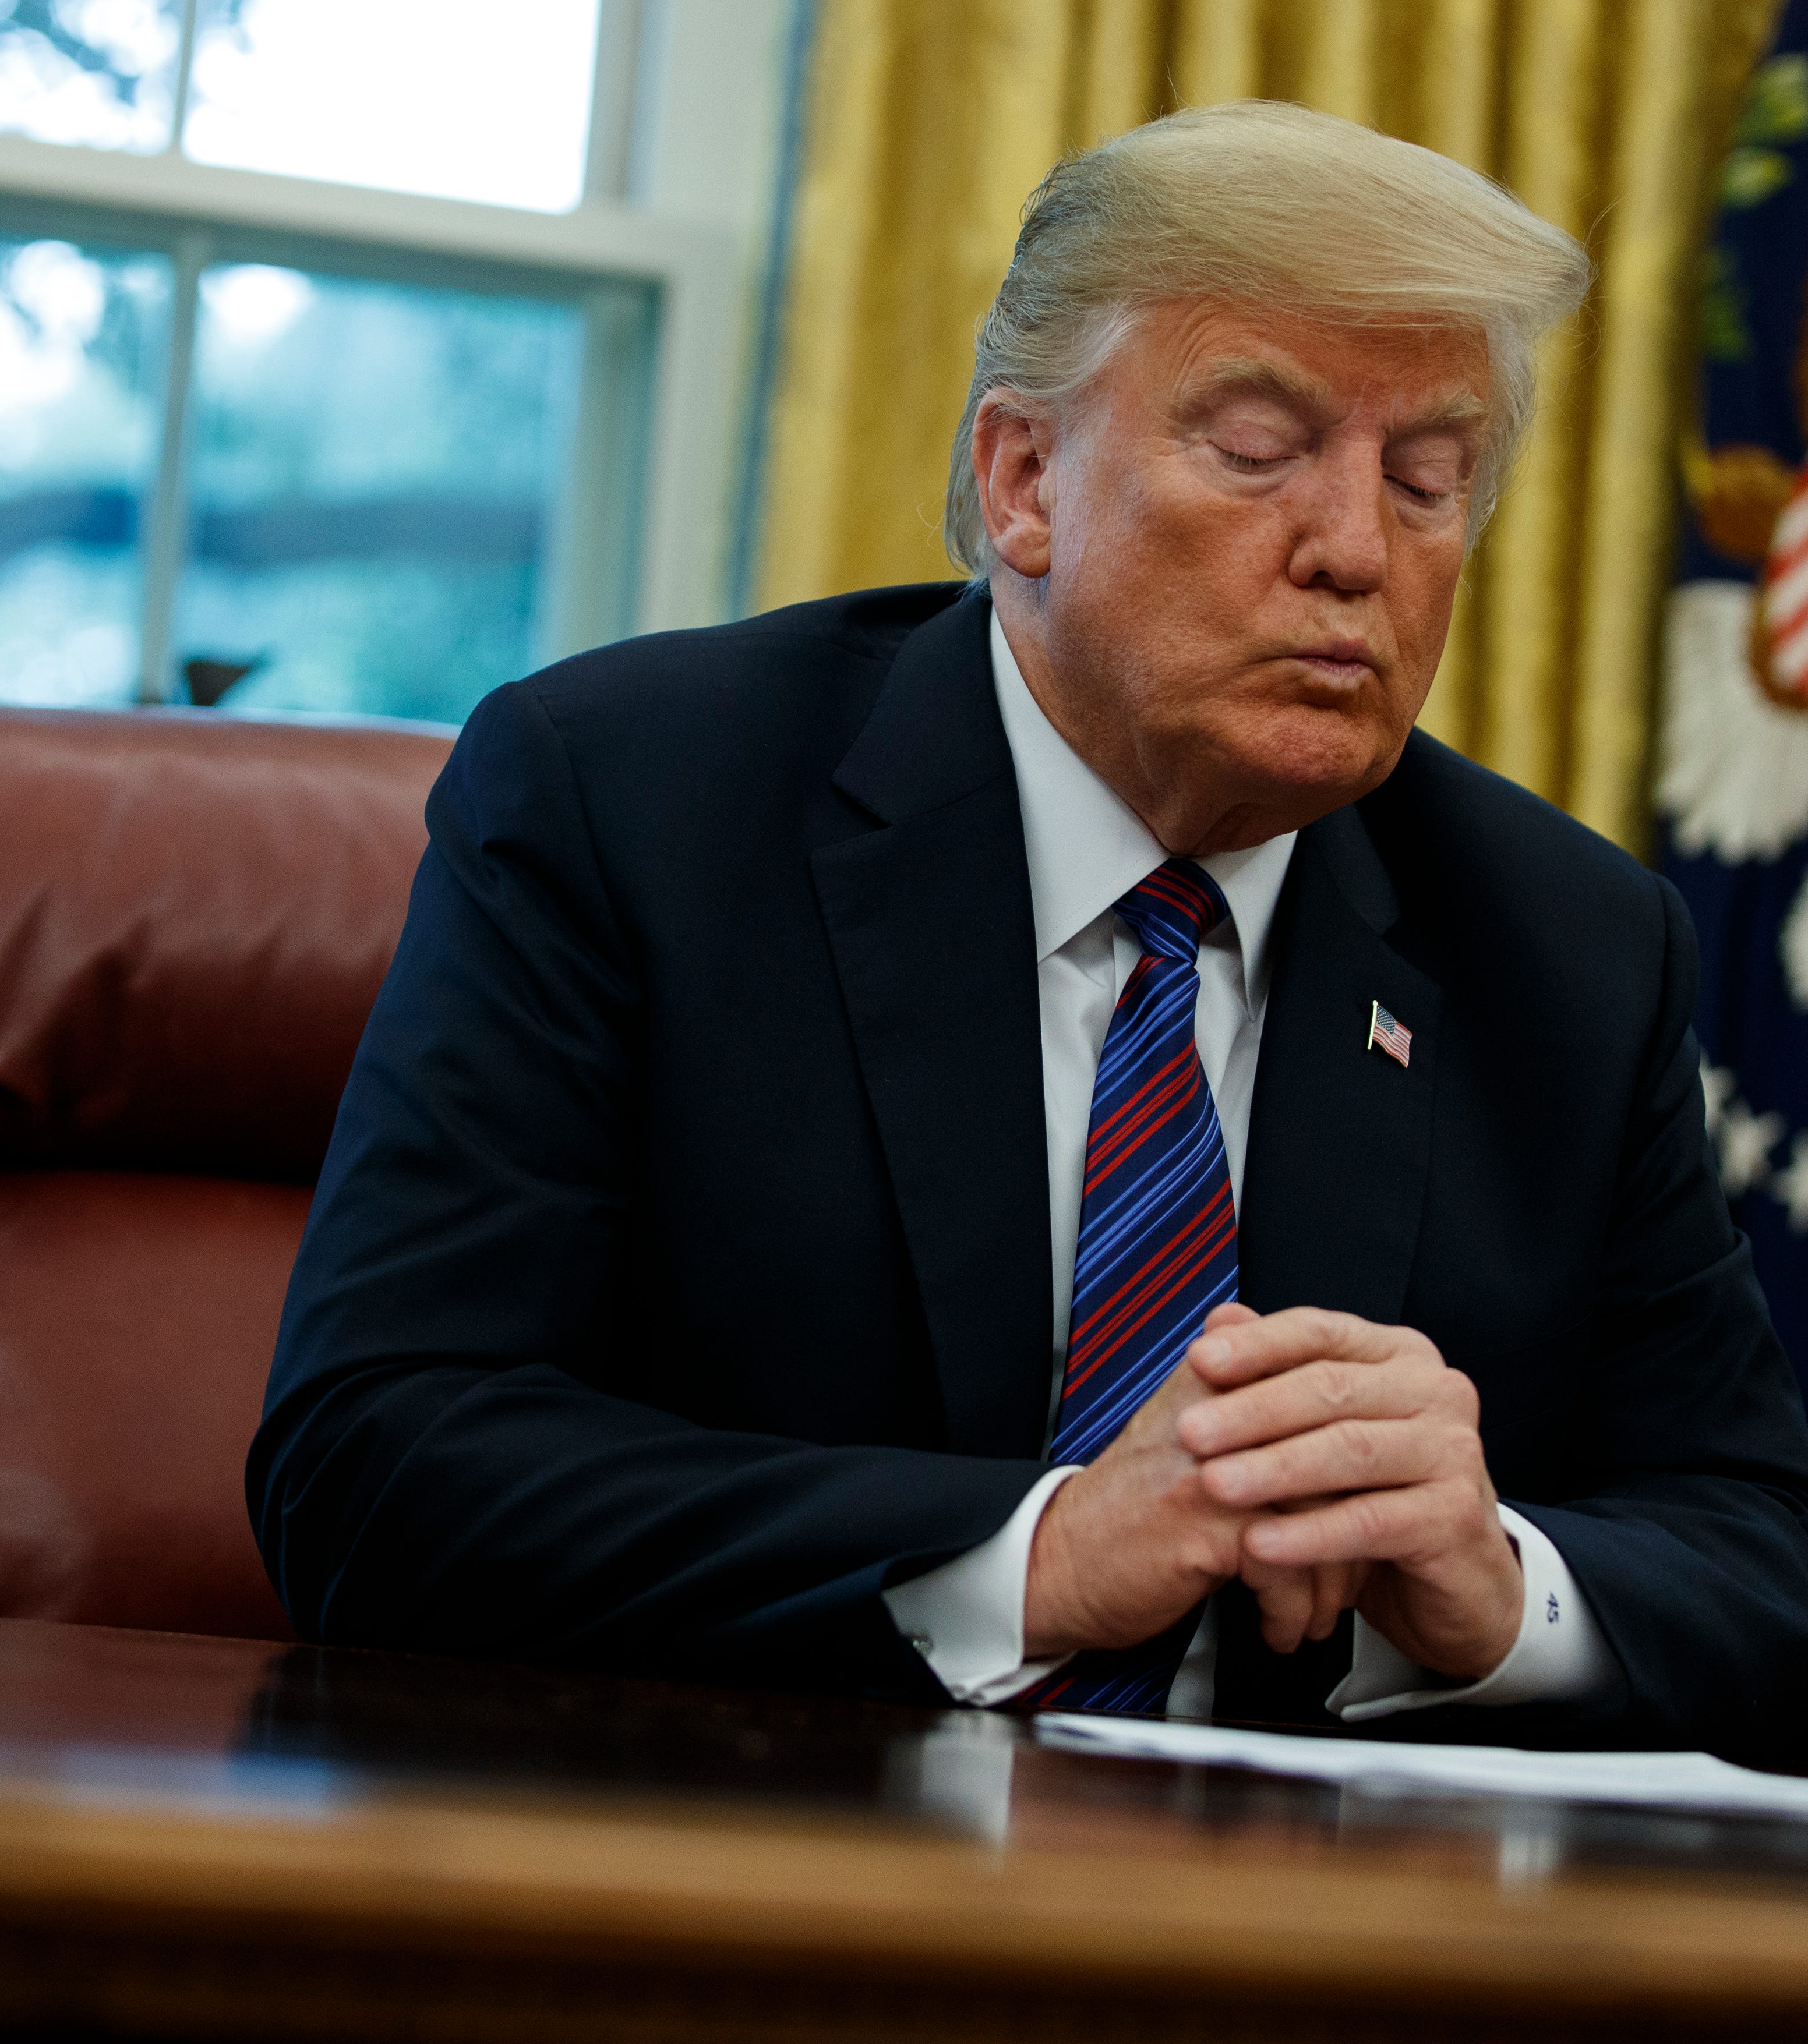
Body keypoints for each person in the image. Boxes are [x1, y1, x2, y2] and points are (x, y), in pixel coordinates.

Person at [250, 103, 1808, 1749]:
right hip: (729, 1877)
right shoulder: (629, 804)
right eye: (1259, 449)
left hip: (1298, 1951)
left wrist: (1501, 1591)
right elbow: (375, 1461)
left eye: (1427, 481)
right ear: (1021, 481)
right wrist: (1045, 1554)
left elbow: (1762, 1552)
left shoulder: (1563, 947)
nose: (1356, 551)